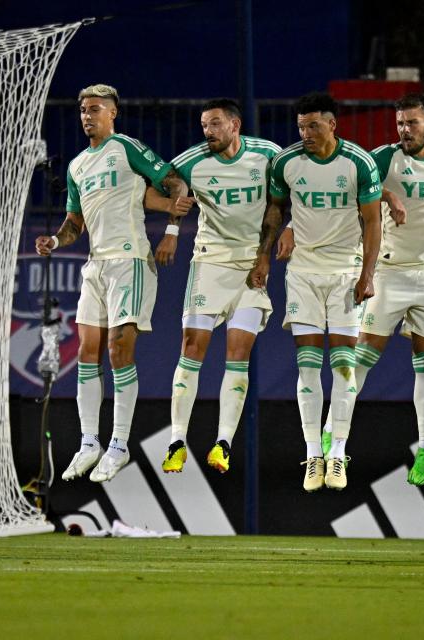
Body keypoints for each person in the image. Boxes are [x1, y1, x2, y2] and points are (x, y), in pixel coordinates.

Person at [294, 93, 424, 486]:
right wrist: (388, 196)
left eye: (413, 123)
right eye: (401, 123)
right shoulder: (383, 158)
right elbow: (351, 187)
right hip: (387, 271)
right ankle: (335, 439)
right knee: (360, 359)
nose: (405, 130)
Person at [36, 84, 190, 483]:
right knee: (87, 351)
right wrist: (54, 240)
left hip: (131, 261)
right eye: (84, 110)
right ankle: (90, 443)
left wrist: (174, 222)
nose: (88, 116)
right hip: (96, 265)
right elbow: (75, 224)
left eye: (96, 109)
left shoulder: (126, 147)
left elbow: (172, 181)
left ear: (112, 113)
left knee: (118, 348)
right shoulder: (76, 167)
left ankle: (119, 445)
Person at [249, 92, 383, 492]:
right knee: (308, 365)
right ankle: (312, 455)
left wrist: (368, 272)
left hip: (345, 271)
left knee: (343, 365)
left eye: (313, 126)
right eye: (301, 126)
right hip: (304, 272)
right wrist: (264, 256)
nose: (306, 133)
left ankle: (338, 453)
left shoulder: (358, 162)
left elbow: (373, 221)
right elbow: (275, 211)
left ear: (332, 125)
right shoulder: (287, 163)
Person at [144, 98, 280, 475]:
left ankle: (223, 444)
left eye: (215, 124)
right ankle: (176, 442)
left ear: (235, 125)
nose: (208, 131)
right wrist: (172, 226)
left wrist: (272, 249)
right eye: (205, 125)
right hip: (209, 263)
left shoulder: (267, 155)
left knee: (238, 353)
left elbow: (285, 198)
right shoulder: (193, 160)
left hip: (251, 267)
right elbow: (158, 190)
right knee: (192, 348)